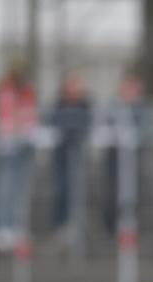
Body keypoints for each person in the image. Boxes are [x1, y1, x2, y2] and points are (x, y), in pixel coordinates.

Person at [0, 61, 37, 252]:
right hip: (7, 145)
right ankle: (3, 226)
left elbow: (31, 115)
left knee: (21, 187)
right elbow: (5, 115)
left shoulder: (28, 92)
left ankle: (17, 225)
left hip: (24, 143)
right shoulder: (6, 91)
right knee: (6, 186)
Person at [49, 73, 92, 236]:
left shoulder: (85, 105)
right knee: (62, 189)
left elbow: (86, 125)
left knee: (77, 189)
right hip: (61, 155)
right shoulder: (59, 105)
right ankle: (61, 222)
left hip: (77, 154)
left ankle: (75, 222)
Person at [103, 73, 144, 235]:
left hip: (132, 157)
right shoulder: (113, 106)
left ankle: (129, 216)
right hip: (115, 155)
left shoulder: (140, 109)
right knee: (113, 187)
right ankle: (112, 221)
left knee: (131, 187)